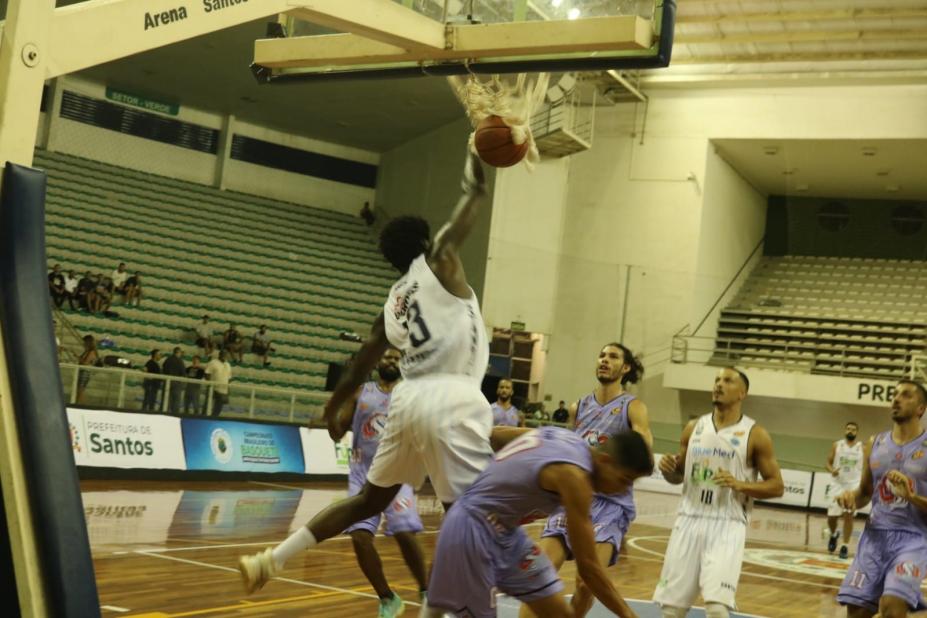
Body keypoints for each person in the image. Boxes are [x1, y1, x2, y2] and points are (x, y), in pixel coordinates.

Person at [239, 149, 493, 593]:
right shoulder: (442, 259)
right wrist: (475, 152)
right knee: (470, 512)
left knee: (368, 501)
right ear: (426, 241)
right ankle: (458, 602)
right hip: (453, 396)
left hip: (408, 400)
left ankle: (272, 559)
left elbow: (360, 364)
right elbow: (475, 193)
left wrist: (333, 406)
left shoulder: (394, 299)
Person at [428, 426, 653, 618]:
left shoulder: (566, 437)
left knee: (560, 614)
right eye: (625, 480)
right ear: (605, 460)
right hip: (472, 530)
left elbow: (495, 434)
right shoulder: (575, 479)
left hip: (506, 533)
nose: (623, 489)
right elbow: (589, 568)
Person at [524, 343, 653, 618]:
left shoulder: (633, 407)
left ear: (626, 368)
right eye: (602, 355)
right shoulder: (578, 407)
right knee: (538, 575)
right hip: (573, 496)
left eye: (613, 357)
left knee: (586, 583)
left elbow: (643, 451)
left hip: (611, 504)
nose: (605, 360)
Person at [653, 367, 784, 618]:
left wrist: (741, 484)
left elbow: (777, 485)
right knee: (671, 610)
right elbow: (678, 476)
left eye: (727, 381)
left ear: (742, 393)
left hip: (727, 524)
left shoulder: (755, 434)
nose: (718, 384)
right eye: (716, 380)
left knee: (715, 607)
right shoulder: (693, 427)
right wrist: (669, 469)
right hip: (688, 520)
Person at [330, 347, 428, 617]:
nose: (391, 361)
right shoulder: (361, 391)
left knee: (405, 532)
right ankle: (387, 597)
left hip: (397, 472)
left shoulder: (409, 396)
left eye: (397, 358)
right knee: (360, 537)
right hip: (362, 475)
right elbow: (338, 432)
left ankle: (426, 589)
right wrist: (330, 417)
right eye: (387, 357)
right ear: (378, 362)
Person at [836, 380, 927, 618]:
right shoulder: (874, 443)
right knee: (856, 611)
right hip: (874, 537)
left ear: (921, 409)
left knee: (892, 607)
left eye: (906, 395)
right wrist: (850, 499)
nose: (896, 399)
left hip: (913, 539)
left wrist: (913, 497)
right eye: (895, 394)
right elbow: (865, 492)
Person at [825, 421, 864, 559]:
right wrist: (832, 470)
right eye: (848, 428)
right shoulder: (837, 445)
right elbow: (827, 463)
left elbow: (866, 467)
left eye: (853, 429)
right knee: (832, 517)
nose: (850, 431)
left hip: (853, 485)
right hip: (837, 484)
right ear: (845, 430)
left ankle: (845, 546)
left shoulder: (862, 448)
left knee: (849, 515)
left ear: (857, 432)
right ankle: (834, 534)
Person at [204, 351, 232, 416]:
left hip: (223, 389)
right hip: (213, 388)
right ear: (220, 355)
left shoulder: (228, 365)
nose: (225, 357)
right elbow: (207, 373)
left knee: (218, 407)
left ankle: (214, 418)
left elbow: (229, 377)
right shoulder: (213, 362)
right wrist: (210, 384)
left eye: (226, 355)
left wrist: (227, 389)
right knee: (208, 404)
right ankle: (204, 417)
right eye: (224, 355)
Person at [161, 347, 186, 415]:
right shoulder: (180, 361)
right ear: (178, 352)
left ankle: (164, 413)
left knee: (166, 400)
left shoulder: (168, 359)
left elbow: (164, 369)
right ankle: (174, 415)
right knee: (175, 401)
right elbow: (183, 372)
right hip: (176, 382)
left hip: (167, 381)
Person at [76, 334, 99, 404]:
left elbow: (86, 363)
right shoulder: (87, 351)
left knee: (81, 390)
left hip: (85, 372)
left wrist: (79, 359)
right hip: (82, 371)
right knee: (79, 389)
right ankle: (78, 403)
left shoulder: (91, 352)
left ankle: (80, 404)